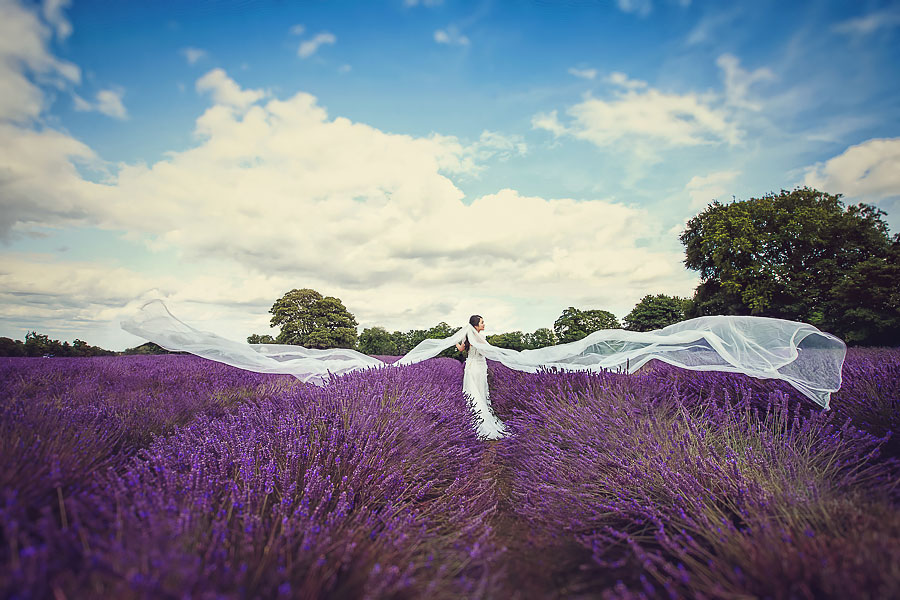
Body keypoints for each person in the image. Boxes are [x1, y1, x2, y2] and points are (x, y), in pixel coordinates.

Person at [454, 315, 509, 440]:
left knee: (471, 393)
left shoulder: (467, 336)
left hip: (470, 367)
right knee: (480, 393)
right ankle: (481, 423)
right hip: (478, 368)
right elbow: (488, 351)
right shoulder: (480, 338)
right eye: (482, 323)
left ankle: (471, 422)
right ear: (476, 326)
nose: (484, 324)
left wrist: (454, 342)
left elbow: (461, 349)